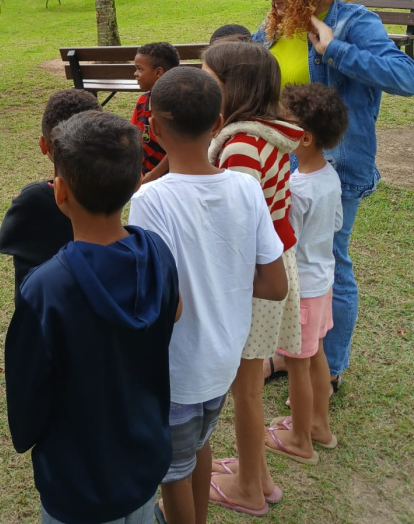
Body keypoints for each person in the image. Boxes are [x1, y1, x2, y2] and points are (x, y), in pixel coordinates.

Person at [5, 111, 181, 524]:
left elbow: (27, 399)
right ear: (137, 182)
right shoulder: (157, 252)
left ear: (60, 191)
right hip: (143, 462)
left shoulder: (45, 288)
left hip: (77, 482)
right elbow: (174, 313)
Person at [255, 0, 414, 391]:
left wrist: (334, 50)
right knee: (287, 258)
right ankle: (291, 354)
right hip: (280, 162)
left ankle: (332, 367)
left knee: (330, 264)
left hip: (335, 167)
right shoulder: (277, 22)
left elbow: (405, 76)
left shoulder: (354, 22)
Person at [129, 67, 287, 524]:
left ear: (154, 127)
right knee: (199, 447)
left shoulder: (150, 200)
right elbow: (275, 285)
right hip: (223, 362)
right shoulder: (246, 188)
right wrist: (224, 279)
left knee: (172, 475)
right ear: (218, 123)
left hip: (176, 370)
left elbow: (157, 298)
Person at [201, 39, 303, 516]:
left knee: (245, 389)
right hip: (273, 265)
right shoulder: (266, 132)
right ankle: (257, 475)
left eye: (208, 80)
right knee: (247, 387)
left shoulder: (241, 145)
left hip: (257, 276)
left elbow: (237, 222)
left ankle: (247, 487)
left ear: (233, 88)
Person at [264, 83, 348, 465]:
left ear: (306, 137)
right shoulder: (330, 177)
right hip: (323, 283)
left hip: (302, 290)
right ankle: (319, 428)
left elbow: (286, 242)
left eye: (287, 123)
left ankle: (300, 440)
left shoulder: (296, 189)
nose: (280, 128)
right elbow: (336, 223)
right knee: (316, 357)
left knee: (297, 365)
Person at [0, 87, 101, 297]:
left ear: (43, 145)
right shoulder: (110, 190)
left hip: (38, 307)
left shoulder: (31, 199)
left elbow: (4, 242)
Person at [131, 42, 180, 185]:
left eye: (140, 69)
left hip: (170, 178)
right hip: (144, 173)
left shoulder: (177, 106)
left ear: (158, 72)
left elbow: (178, 148)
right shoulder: (143, 101)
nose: (135, 74)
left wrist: (154, 175)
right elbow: (133, 135)